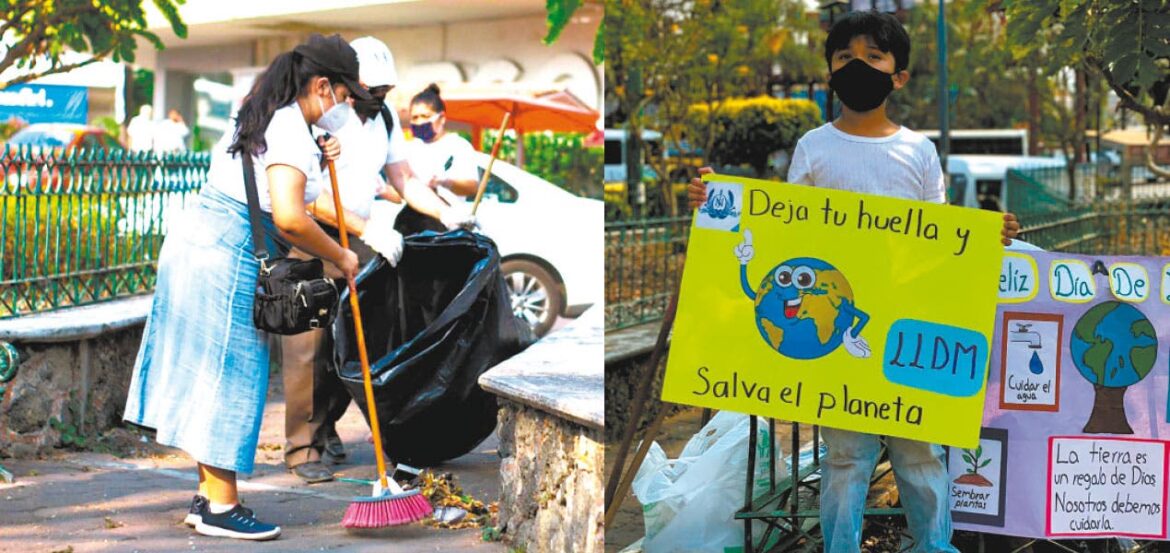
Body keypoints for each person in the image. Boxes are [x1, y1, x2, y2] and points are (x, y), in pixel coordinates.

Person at [688, 12, 1020, 553]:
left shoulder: (919, 151)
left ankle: (934, 546)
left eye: (873, 56)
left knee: (920, 454)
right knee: (844, 458)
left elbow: (940, 238)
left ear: (899, 76)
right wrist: (718, 206)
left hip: (906, 329)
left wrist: (988, 236)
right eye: (845, 57)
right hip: (837, 336)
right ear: (829, 73)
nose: (857, 66)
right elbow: (786, 232)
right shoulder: (813, 148)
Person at [123, 33, 376, 541]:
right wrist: (341, 254)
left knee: (213, 371)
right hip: (228, 247)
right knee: (231, 373)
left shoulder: (271, 113)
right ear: (323, 86)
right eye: (346, 97)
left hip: (201, 238)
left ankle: (207, 497)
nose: (347, 107)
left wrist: (320, 149)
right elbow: (289, 217)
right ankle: (221, 506)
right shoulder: (288, 127)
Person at [279, 36, 467, 483]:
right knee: (309, 347)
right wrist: (369, 230)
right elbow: (308, 194)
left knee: (355, 344)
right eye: (368, 92)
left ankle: (324, 429)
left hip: (361, 240)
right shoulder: (322, 115)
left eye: (382, 93)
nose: (375, 100)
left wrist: (446, 211)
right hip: (313, 238)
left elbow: (402, 177)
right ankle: (302, 449)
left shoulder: (382, 118)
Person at [398, 83, 480, 234]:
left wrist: (445, 182)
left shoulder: (458, 146)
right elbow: (399, 189)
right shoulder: (408, 148)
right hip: (413, 226)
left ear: (441, 118)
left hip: (448, 226)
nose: (420, 122)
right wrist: (382, 189)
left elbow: (472, 187)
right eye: (415, 117)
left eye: (425, 116)